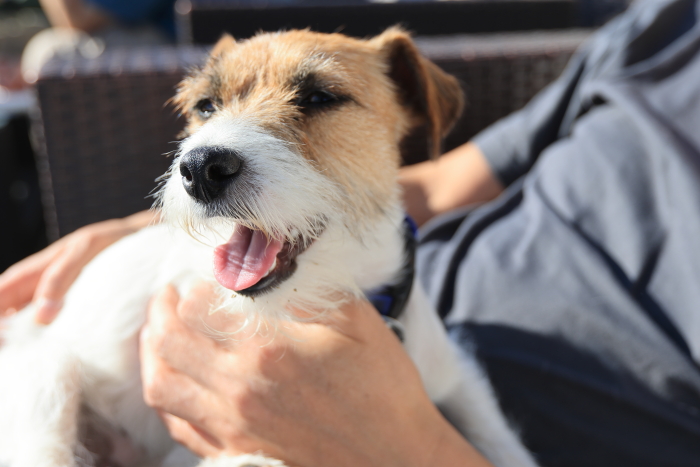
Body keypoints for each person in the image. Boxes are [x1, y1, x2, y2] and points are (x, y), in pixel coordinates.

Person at [3, 0, 700, 464]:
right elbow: (438, 184)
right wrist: (147, 223)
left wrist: (409, 446)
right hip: (52, 373)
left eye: (316, 98)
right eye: (208, 106)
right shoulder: (670, 27)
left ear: (410, 111)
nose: (212, 144)